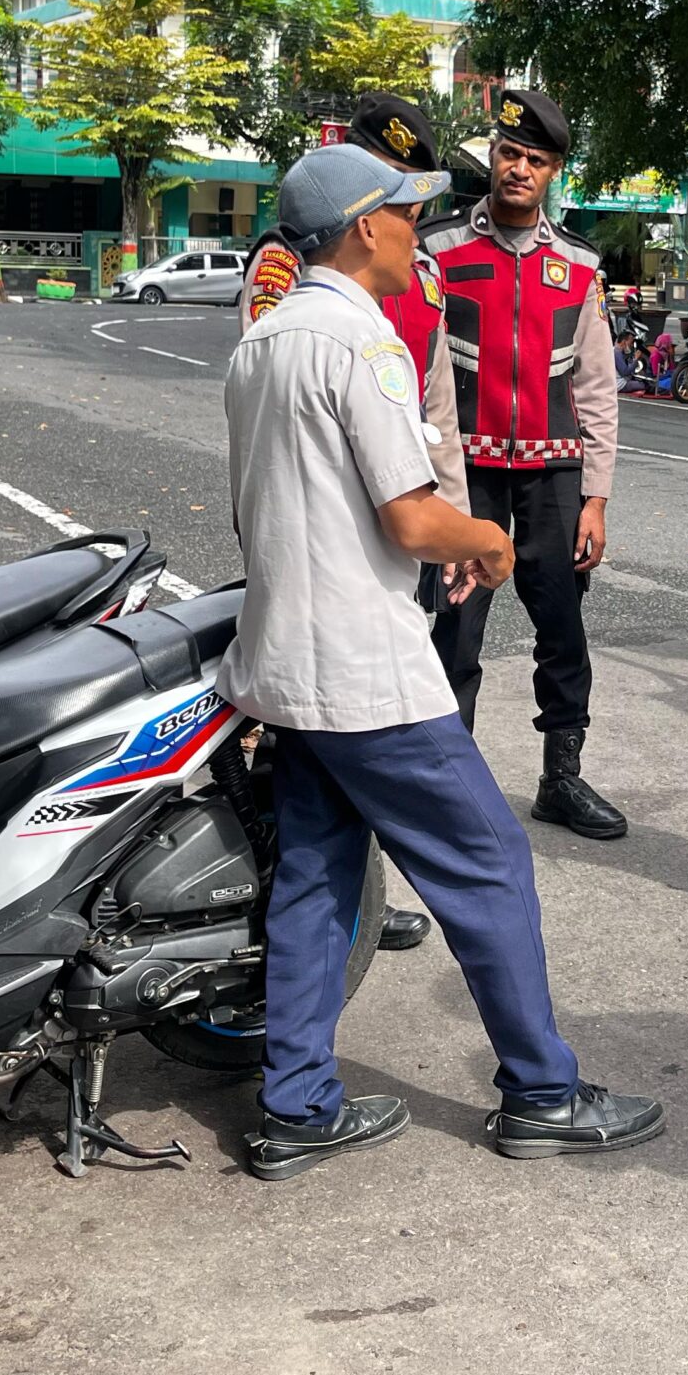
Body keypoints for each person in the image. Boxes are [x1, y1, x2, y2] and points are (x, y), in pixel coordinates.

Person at [219, 143, 665, 1180]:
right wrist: (490, 543)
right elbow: (412, 517)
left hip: (286, 659)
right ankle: (542, 1093)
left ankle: (295, 1105)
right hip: (364, 670)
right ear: (365, 228)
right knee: (489, 866)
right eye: (403, 215)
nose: (415, 230)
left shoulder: (264, 338)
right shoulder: (358, 342)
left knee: (318, 876)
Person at [240, 93, 458, 953]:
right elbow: (289, 425)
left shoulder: (424, 274)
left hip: (404, 533)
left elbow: (436, 409)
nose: (410, 212)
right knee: (331, 754)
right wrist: (461, 532)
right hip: (335, 554)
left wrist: (455, 523)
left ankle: (359, 894)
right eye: (394, 192)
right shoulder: (289, 274)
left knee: (343, 794)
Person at [422, 89, 627, 839]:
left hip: (554, 477)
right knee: (455, 631)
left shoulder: (578, 265)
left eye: (535, 160)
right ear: (493, 154)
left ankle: (561, 779)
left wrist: (596, 498)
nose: (518, 169)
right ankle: (451, 793)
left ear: (554, 171)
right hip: (464, 476)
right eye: (509, 153)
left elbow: (597, 387)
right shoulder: (439, 251)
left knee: (564, 631)